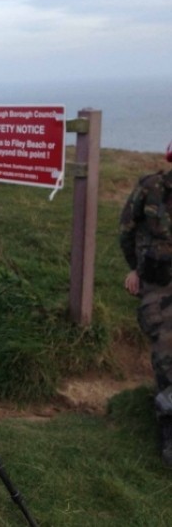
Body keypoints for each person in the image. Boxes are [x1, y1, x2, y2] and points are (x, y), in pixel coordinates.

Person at [119, 143, 172, 467]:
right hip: (158, 285)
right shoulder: (150, 187)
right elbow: (126, 230)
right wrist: (136, 270)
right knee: (167, 354)